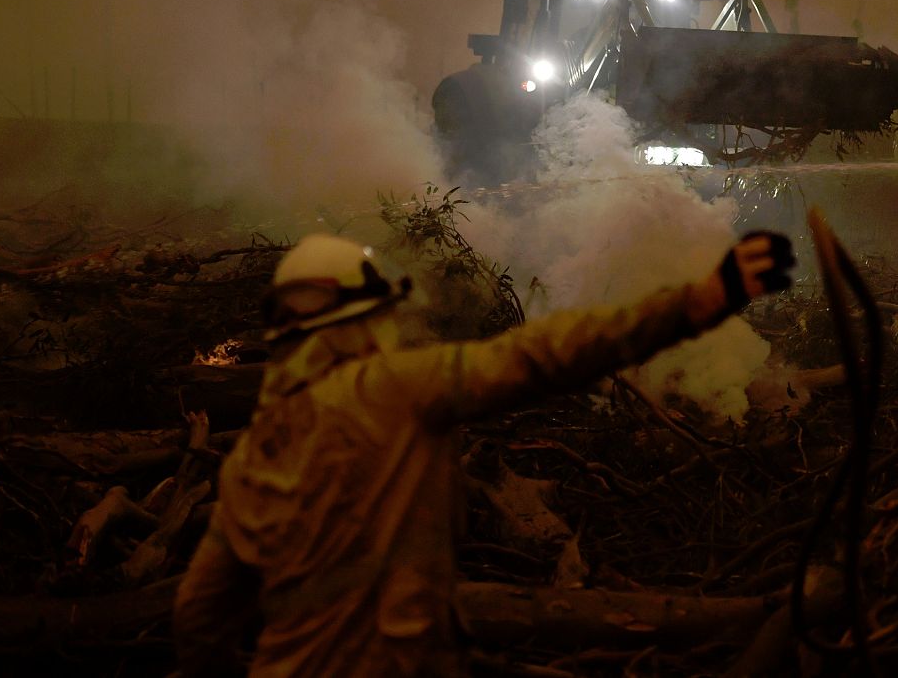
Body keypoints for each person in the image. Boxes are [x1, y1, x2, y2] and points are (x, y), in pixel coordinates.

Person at [174, 230, 796, 676]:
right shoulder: (393, 390)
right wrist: (696, 302)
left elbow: (199, 614)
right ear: (361, 319)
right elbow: (540, 354)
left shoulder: (254, 452)